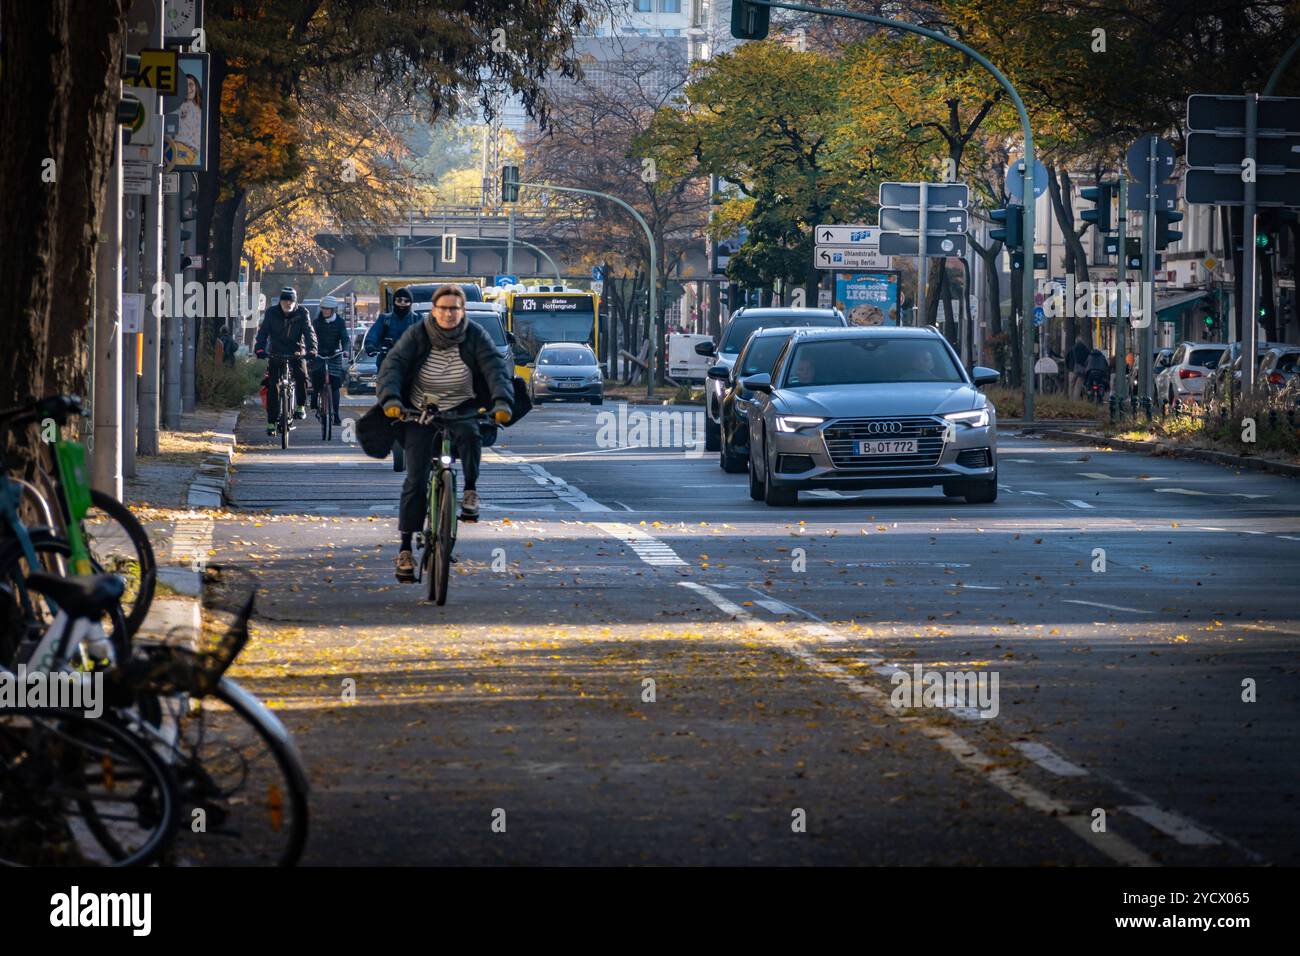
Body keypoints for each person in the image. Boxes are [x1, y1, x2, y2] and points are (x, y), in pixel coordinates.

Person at [376, 284, 513, 583]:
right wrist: (392, 400)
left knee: (471, 433)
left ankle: (470, 491)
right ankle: (405, 549)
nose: (449, 314)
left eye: (454, 308)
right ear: (434, 311)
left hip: (462, 407)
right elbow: (393, 366)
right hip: (419, 411)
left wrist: (502, 402)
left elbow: (495, 368)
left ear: (462, 311)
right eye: (443, 308)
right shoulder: (417, 334)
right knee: (415, 479)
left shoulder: (476, 335)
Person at [255, 287, 317, 437]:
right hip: (276, 352)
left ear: (295, 302)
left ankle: (300, 406)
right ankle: (271, 422)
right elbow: (263, 333)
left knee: (301, 375)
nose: (287, 303)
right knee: (273, 386)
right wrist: (260, 349)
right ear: (280, 301)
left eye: (291, 301)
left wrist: (312, 349)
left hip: (296, 352)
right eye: (285, 300)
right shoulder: (271, 313)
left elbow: (309, 333)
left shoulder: (303, 313)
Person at [309, 296, 350, 425]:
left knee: (335, 384)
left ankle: (336, 415)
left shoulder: (340, 322)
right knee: (316, 375)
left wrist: (345, 350)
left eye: (328, 309)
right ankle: (315, 396)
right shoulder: (316, 322)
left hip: (334, 355)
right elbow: (311, 338)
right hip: (319, 354)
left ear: (334, 310)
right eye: (324, 308)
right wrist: (311, 350)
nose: (326, 311)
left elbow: (345, 338)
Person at [363, 287, 419, 365]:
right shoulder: (384, 319)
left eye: (406, 301)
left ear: (411, 303)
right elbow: (373, 334)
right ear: (394, 301)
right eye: (399, 300)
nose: (402, 303)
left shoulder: (418, 319)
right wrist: (370, 345)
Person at [1069, 335, 1090, 400]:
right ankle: (1076, 399)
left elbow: (1069, 358)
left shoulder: (1073, 348)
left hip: (1074, 369)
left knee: (1071, 384)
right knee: (1078, 386)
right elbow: (1088, 359)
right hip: (1083, 369)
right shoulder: (1086, 349)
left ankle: (1071, 398)